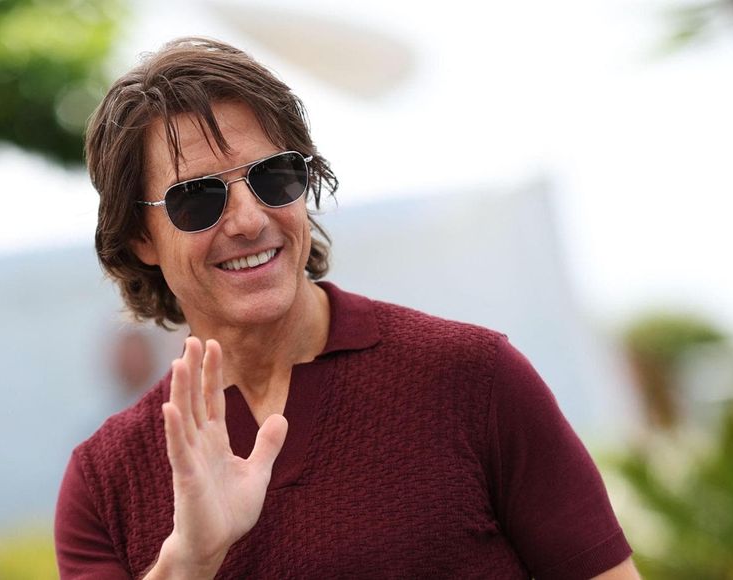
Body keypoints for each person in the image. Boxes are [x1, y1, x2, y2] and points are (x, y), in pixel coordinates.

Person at [54, 37, 641, 579]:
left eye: (273, 176)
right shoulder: (104, 483)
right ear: (141, 238)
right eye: (197, 198)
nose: (249, 220)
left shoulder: (474, 378)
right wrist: (190, 561)